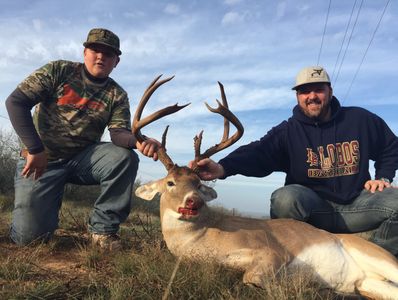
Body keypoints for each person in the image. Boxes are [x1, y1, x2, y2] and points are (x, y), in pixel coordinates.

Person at [192, 66, 398, 257]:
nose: (312, 97)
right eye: (305, 92)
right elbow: (258, 152)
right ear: (297, 96)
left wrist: (383, 176)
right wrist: (223, 167)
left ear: (330, 92)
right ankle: (293, 261)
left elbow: (391, 147)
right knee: (285, 198)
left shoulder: (359, 119)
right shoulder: (288, 131)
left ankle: (378, 261)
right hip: (315, 209)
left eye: (318, 90)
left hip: (357, 205)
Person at [5, 28, 160, 250]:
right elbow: (16, 102)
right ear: (85, 52)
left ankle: (102, 231)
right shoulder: (59, 70)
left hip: (82, 160)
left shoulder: (117, 94)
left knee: (125, 157)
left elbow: (118, 133)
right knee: (29, 240)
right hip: (40, 161)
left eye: (108, 53)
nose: (101, 56)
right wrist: (35, 149)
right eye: (95, 49)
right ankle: (43, 211)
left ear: (116, 61)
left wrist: (139, 142)